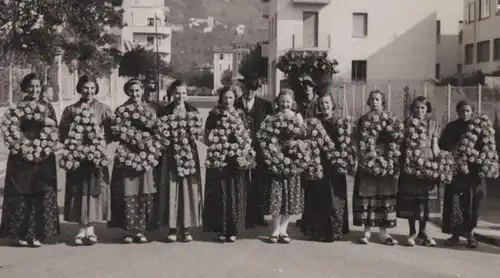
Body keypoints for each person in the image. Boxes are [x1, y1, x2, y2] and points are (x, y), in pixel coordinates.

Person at [0, 73, 60, 247]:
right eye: (31, 87)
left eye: (37, 87)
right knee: (22, 192)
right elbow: (10, 130)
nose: (34, 90)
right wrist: (22, 146)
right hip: (21, 156)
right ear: (24, 88)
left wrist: (45, 137)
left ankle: (37, 234)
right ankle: (20, 234)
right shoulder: (17, 108)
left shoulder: (47, 107)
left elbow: (54, 128)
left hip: (43, 156)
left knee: (40, 192)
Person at [60, 75, 113, 245]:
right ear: (79, 89)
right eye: (85, 88)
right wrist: (74, 146)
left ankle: (90, 229)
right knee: (78, 191)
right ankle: (80, 229)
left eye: (91, 88)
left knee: (94, 190)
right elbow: (62, 133)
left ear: (96, 89)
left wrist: (100, 146)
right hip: (77, 157)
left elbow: (112, 132)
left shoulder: (103, 109)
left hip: (95, 157)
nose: (88, 91)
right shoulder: (70, 110)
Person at [108, 79, 159, 243]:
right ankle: (129, 230)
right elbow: (115, 132)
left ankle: (140, 230)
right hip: (127, 154)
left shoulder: (150, 111)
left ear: (142, 91)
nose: (135, 94)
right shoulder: (121, 110)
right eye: (131, 91)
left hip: (145, 155)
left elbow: (157, 133)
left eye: (137, 90)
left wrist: (150, 146)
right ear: (127, 92)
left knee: (144, 190)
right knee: (128, 190)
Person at [156, 79, 203, 242]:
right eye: (177, 93)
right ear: (171, 94)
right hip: (170, 155)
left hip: (189, 155)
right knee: (172, 188)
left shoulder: (193, 111)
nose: (180, 96)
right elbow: (159, 134)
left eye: (183, 93)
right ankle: (172, 228)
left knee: (188, 189)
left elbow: (198, 135)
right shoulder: (164, 112)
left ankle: (186, 228)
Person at [300, 92, 350, 242]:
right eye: (322, 104)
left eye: (327, 103)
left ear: (332, 104)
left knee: (334, 196)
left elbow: (345, 144)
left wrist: (341, 160)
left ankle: (333, 230)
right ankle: (316, 230)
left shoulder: (340, 122)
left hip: (334, 164)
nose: (324, 106)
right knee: (318, 196)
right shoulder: (315, 122)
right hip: (318, 162)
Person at [203, 87, 250, 242]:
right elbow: (206, 136)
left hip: (235, 159)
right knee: (221, 193)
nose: (227, 101)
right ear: (221, 98)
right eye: (225, 98)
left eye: (230, 98)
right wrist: (215, 142)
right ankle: (221, 229)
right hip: (220, 159)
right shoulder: (214, 114)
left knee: (235, 192)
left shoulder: (241, 114)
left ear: (235, 99)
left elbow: (247, 136)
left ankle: (234, 229)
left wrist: (242, 147)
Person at [352, 90, 399, 245]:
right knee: (367, 197)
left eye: (377, 99)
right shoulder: (363, 120)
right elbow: (357, 140)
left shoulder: (390, 119)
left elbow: (395, 139)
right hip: (367, 162)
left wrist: (389, 158)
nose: (374, 102)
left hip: (385, 162)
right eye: (372, 99)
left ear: (382, 101)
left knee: (384, 196)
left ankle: (384, 233)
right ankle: (366, 233)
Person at [262, 88, 305, 243]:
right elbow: (265, 136)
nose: (285, 104)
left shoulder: (298, 118)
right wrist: (273, 151)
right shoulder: (271, 118)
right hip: (276, 159)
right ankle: (275, 229)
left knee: (290, 196)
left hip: (292, 159)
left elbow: (304, 136)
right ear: (277, 102)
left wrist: (297, 143)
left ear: (292, 102)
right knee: (276, 195)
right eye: (282, 101)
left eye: (288, 101)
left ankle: (284, 230)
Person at [439, 100, 484, 248]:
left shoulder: (478, 128)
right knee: (455, 203)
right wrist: (456, 154)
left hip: (474, 172)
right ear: (457, 112)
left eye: (468, 111)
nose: (465, 114)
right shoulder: (452, 127)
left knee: (472, 203)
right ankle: (456, 234)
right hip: (457, 171)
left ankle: (470, 234)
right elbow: (444, 144)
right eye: (462, 111)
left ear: (472, 112)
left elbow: (486, 147)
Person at [397, 96, 440, 247]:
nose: (420, 111)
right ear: (412, 109)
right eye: (416, 107)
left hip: (427, 162)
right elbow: (400, 144)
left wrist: (439, 162)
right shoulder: (406, 124)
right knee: (412, 199)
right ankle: (412, 231)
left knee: (425, 200)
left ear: (427, 109)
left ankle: (424, 231)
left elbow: (435, 145)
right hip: (411, 162)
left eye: (423, 108)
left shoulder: (433, 124)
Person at [234, 75, 273, 228]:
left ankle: (259, 215)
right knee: (242, 181)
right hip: (240, 149)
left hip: (260, 149)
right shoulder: (235, 104)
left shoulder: (265, 105)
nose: (250, 92)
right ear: (242, 88)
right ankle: (244, 215)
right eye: (247, 88)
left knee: (260, 182)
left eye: (253, 89)